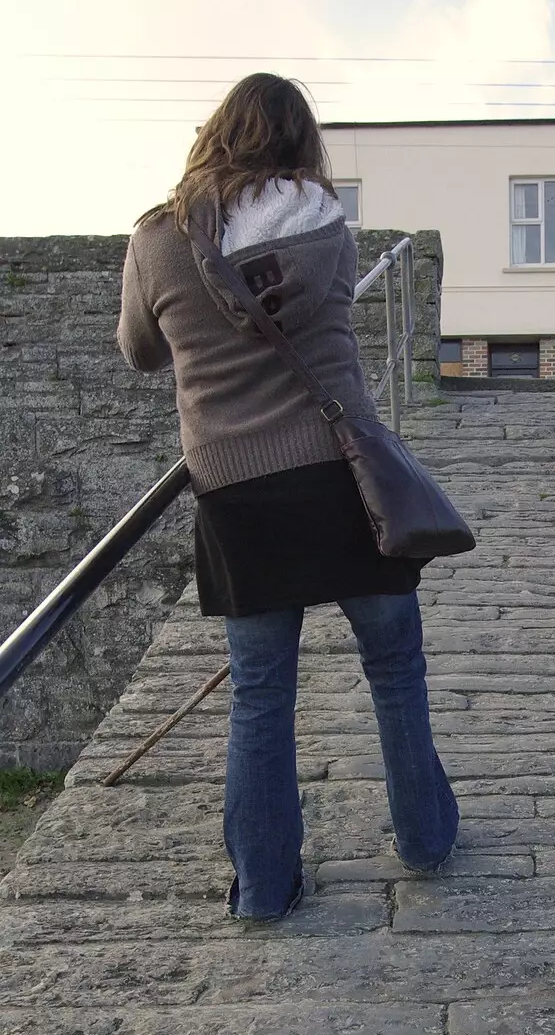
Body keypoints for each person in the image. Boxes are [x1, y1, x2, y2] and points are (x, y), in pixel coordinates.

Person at [117, 73, 458, 920]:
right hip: (348, 481)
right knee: (395, 669)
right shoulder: (326, 228)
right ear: (302, 142)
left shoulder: (156, 239)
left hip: (238, 490)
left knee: (259, 694)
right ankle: (425, 839)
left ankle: (266, 889)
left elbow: (140, 352)